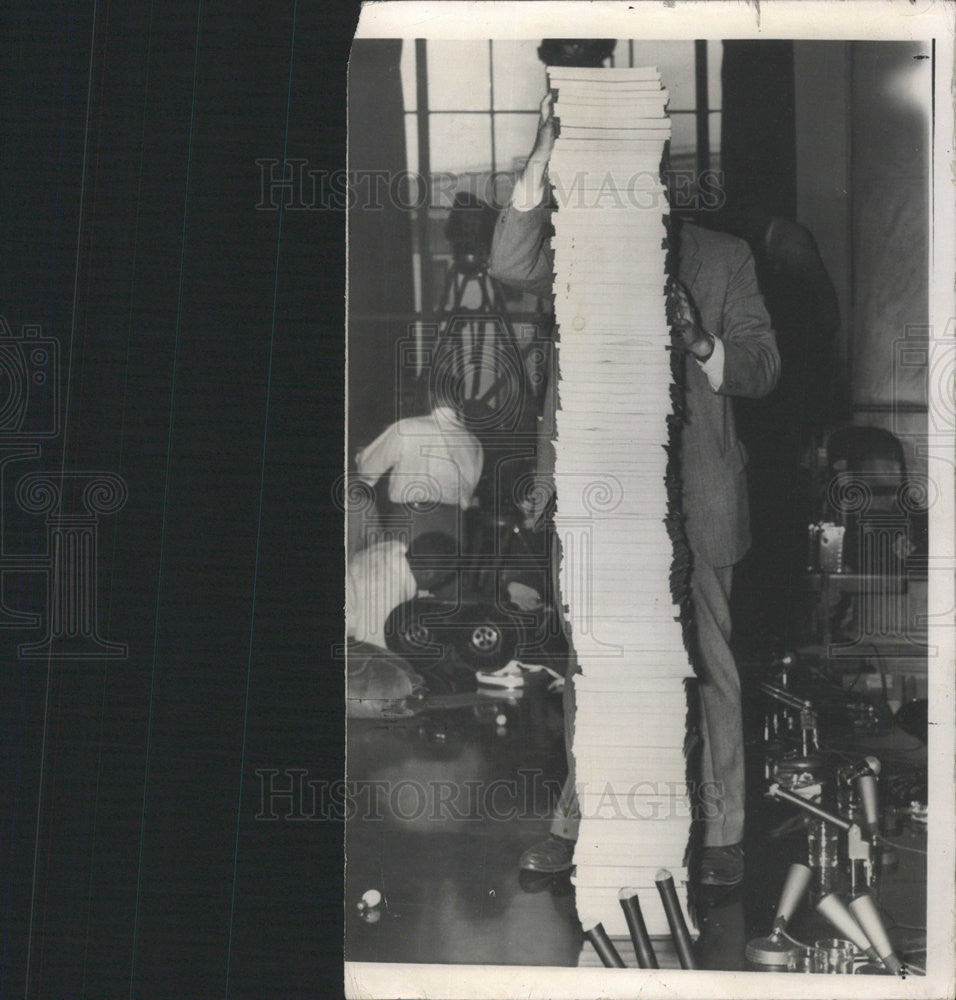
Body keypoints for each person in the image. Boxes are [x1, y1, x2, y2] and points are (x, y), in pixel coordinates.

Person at [487, 94, 780, 887]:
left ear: (660, 178)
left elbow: (761, 365)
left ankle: (721, 834)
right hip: (598, 496)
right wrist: (541, 156)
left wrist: (698, 338)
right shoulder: (578, 250)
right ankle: (575, 823)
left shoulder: (723, 259)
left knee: (710, 664)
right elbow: (509, 264)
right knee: (596, 666)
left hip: (700, 497)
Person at [354, 404, 483, 547]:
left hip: (411, 521)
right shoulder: (473, 441)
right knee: (448, 568)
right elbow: (469, 492)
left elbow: (367, 469)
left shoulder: (407, 428)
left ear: (429, 397)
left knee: (399, 568)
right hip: (452, 524)